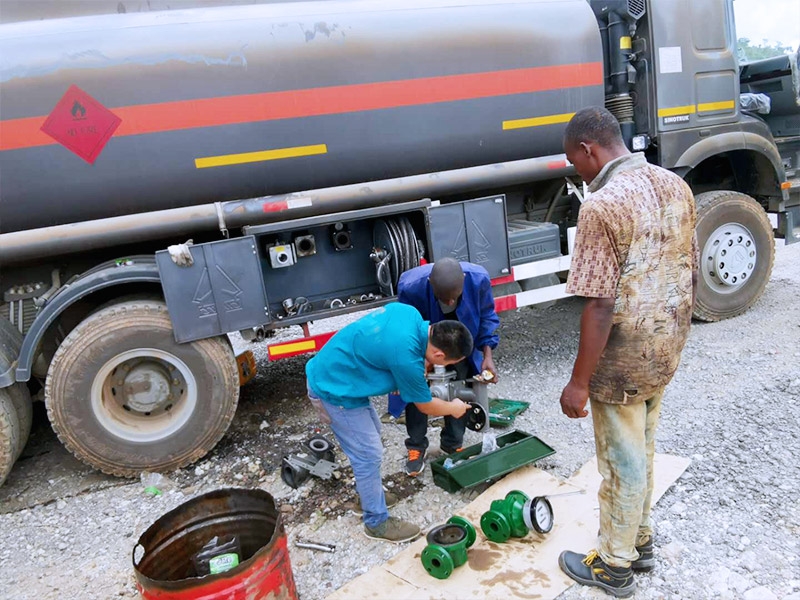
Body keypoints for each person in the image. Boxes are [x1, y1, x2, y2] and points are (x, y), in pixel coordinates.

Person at [557, 107, 697, 598]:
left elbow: (599, 304)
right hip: (666, 344)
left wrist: (578, 383)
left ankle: (614, 565)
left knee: (621, 461)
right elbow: (686, 265)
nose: (578, 170)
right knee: (645, 445)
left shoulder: (602, 205)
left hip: (622, 358)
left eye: (575, 160)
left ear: (588, 150)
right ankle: (640, 540)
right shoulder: (674, 184)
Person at [305, 302, 473, 543]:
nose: (442, 367)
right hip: (332, 390)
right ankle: (376, 521)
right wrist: (454, 408)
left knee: (372, 439)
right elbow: (425, 405)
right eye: (446, 363)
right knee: (368, 454)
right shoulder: (406, 359)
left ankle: (368, 496)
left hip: (344, 376)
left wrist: (399, 378)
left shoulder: (410, 313)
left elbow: (382, 347)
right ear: (438, 355)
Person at [394, 257, 500, 476]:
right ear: (430, 285)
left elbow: (488, 317)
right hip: (425, 341)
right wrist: (422, 359)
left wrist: (487, 355)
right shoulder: (411, 287)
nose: (450, 303)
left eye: (455, 297)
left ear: (463, 281)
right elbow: (405, 328)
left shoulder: (478, 280)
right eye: (443, 299)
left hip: (460, 341)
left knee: (460, 385)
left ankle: (452, 443)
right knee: (416, 391)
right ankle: (416, 446)